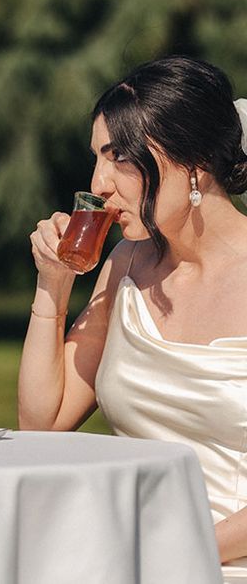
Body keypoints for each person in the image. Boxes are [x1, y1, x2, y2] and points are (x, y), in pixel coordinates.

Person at [18, 55, 247, 579]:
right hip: (128, 557)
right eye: (96, 158)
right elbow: (41, 426)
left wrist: (177, 552)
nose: (98, 183)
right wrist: (53, 284)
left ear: (192, 160)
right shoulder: (126, 265)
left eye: (119, 156)